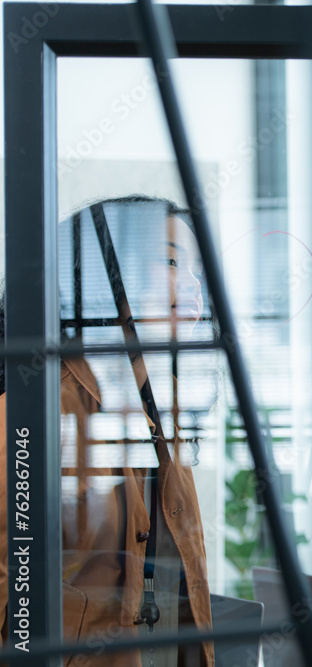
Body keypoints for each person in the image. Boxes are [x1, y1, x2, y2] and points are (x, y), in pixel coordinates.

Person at [1, 196, 215, 666]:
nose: (194, 285)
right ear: (109, 272)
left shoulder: (160, 401)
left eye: (198, 269)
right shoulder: (37, 409)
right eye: (172, 260)